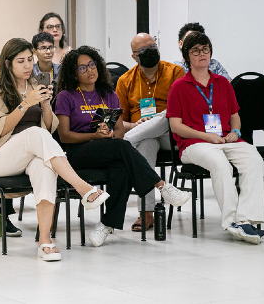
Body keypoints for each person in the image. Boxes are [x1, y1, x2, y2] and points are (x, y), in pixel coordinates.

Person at [0, 38, 112, 262]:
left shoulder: (34, 84)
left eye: (30, 60)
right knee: (34, 133)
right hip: (1, 158)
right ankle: (83, 188)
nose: (27, 65)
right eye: (21, 61)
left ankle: (45, 241)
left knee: (45, 166)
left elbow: (49, 127)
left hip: (32, 152)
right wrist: (24, 104)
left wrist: (45, 105)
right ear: (8, 63)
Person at [55, 45, 190, 247]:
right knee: (122, 148)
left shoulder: (108, 94)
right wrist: (94, 135)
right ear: (73, 73)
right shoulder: (66, 96)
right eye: (82, 68)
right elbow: (64, 136)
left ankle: (106, 225)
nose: (89, 70)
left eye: (91, 65)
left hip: (107, 149)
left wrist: (108, 135)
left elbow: (119, 131)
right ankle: (162, 186)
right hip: (78, 153)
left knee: (122, 165)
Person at [167, 31, 264, 244]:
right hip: (194, 144)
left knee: (254, 158)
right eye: (196, 51)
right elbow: (176, 126)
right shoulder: (178, 87)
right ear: (187, 57)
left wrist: (235, 132)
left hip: (225, 140)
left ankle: (246, 219)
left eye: (205, 49)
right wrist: (206, 136)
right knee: (220, 164)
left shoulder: (223, 83)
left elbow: (235, 116)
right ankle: (231, 221)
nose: (202, 54)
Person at [115, 33, 184, 232]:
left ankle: (123, 144)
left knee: (166, 114)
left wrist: (150, 122)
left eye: (153, 47)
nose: (151, 52)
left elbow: (180, 111)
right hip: (142, 134)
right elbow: (120, 121)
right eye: (144, 51)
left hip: (172, 134)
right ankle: (146, 212)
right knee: (146, 143)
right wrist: (137, 126)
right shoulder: (125, 80)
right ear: (134, 56)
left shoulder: (175, 72)